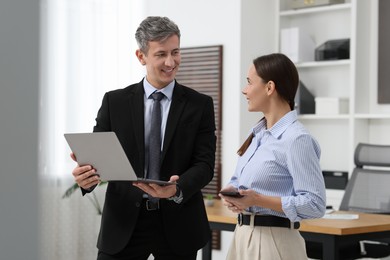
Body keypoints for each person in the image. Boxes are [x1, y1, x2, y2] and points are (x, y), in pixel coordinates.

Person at [70, 16, 216, 260]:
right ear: (141, 56)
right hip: (124, 223)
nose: (171, 62)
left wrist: (175, 189)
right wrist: (87, 178)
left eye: (175, 52)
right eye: (161, 54)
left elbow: (205, 164)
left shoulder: (199, 105)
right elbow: (99, 161)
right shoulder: (114, 102)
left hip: (178, 223)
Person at [219, 53, 326, 260]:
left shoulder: (297, 139)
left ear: (269, 88)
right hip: (242, 236)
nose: (244, 90)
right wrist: (234, 197)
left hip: (273, 242)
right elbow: (238, 183)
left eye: (249, 82)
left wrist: (257, 199)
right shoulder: (258, 135)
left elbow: (315, 204)